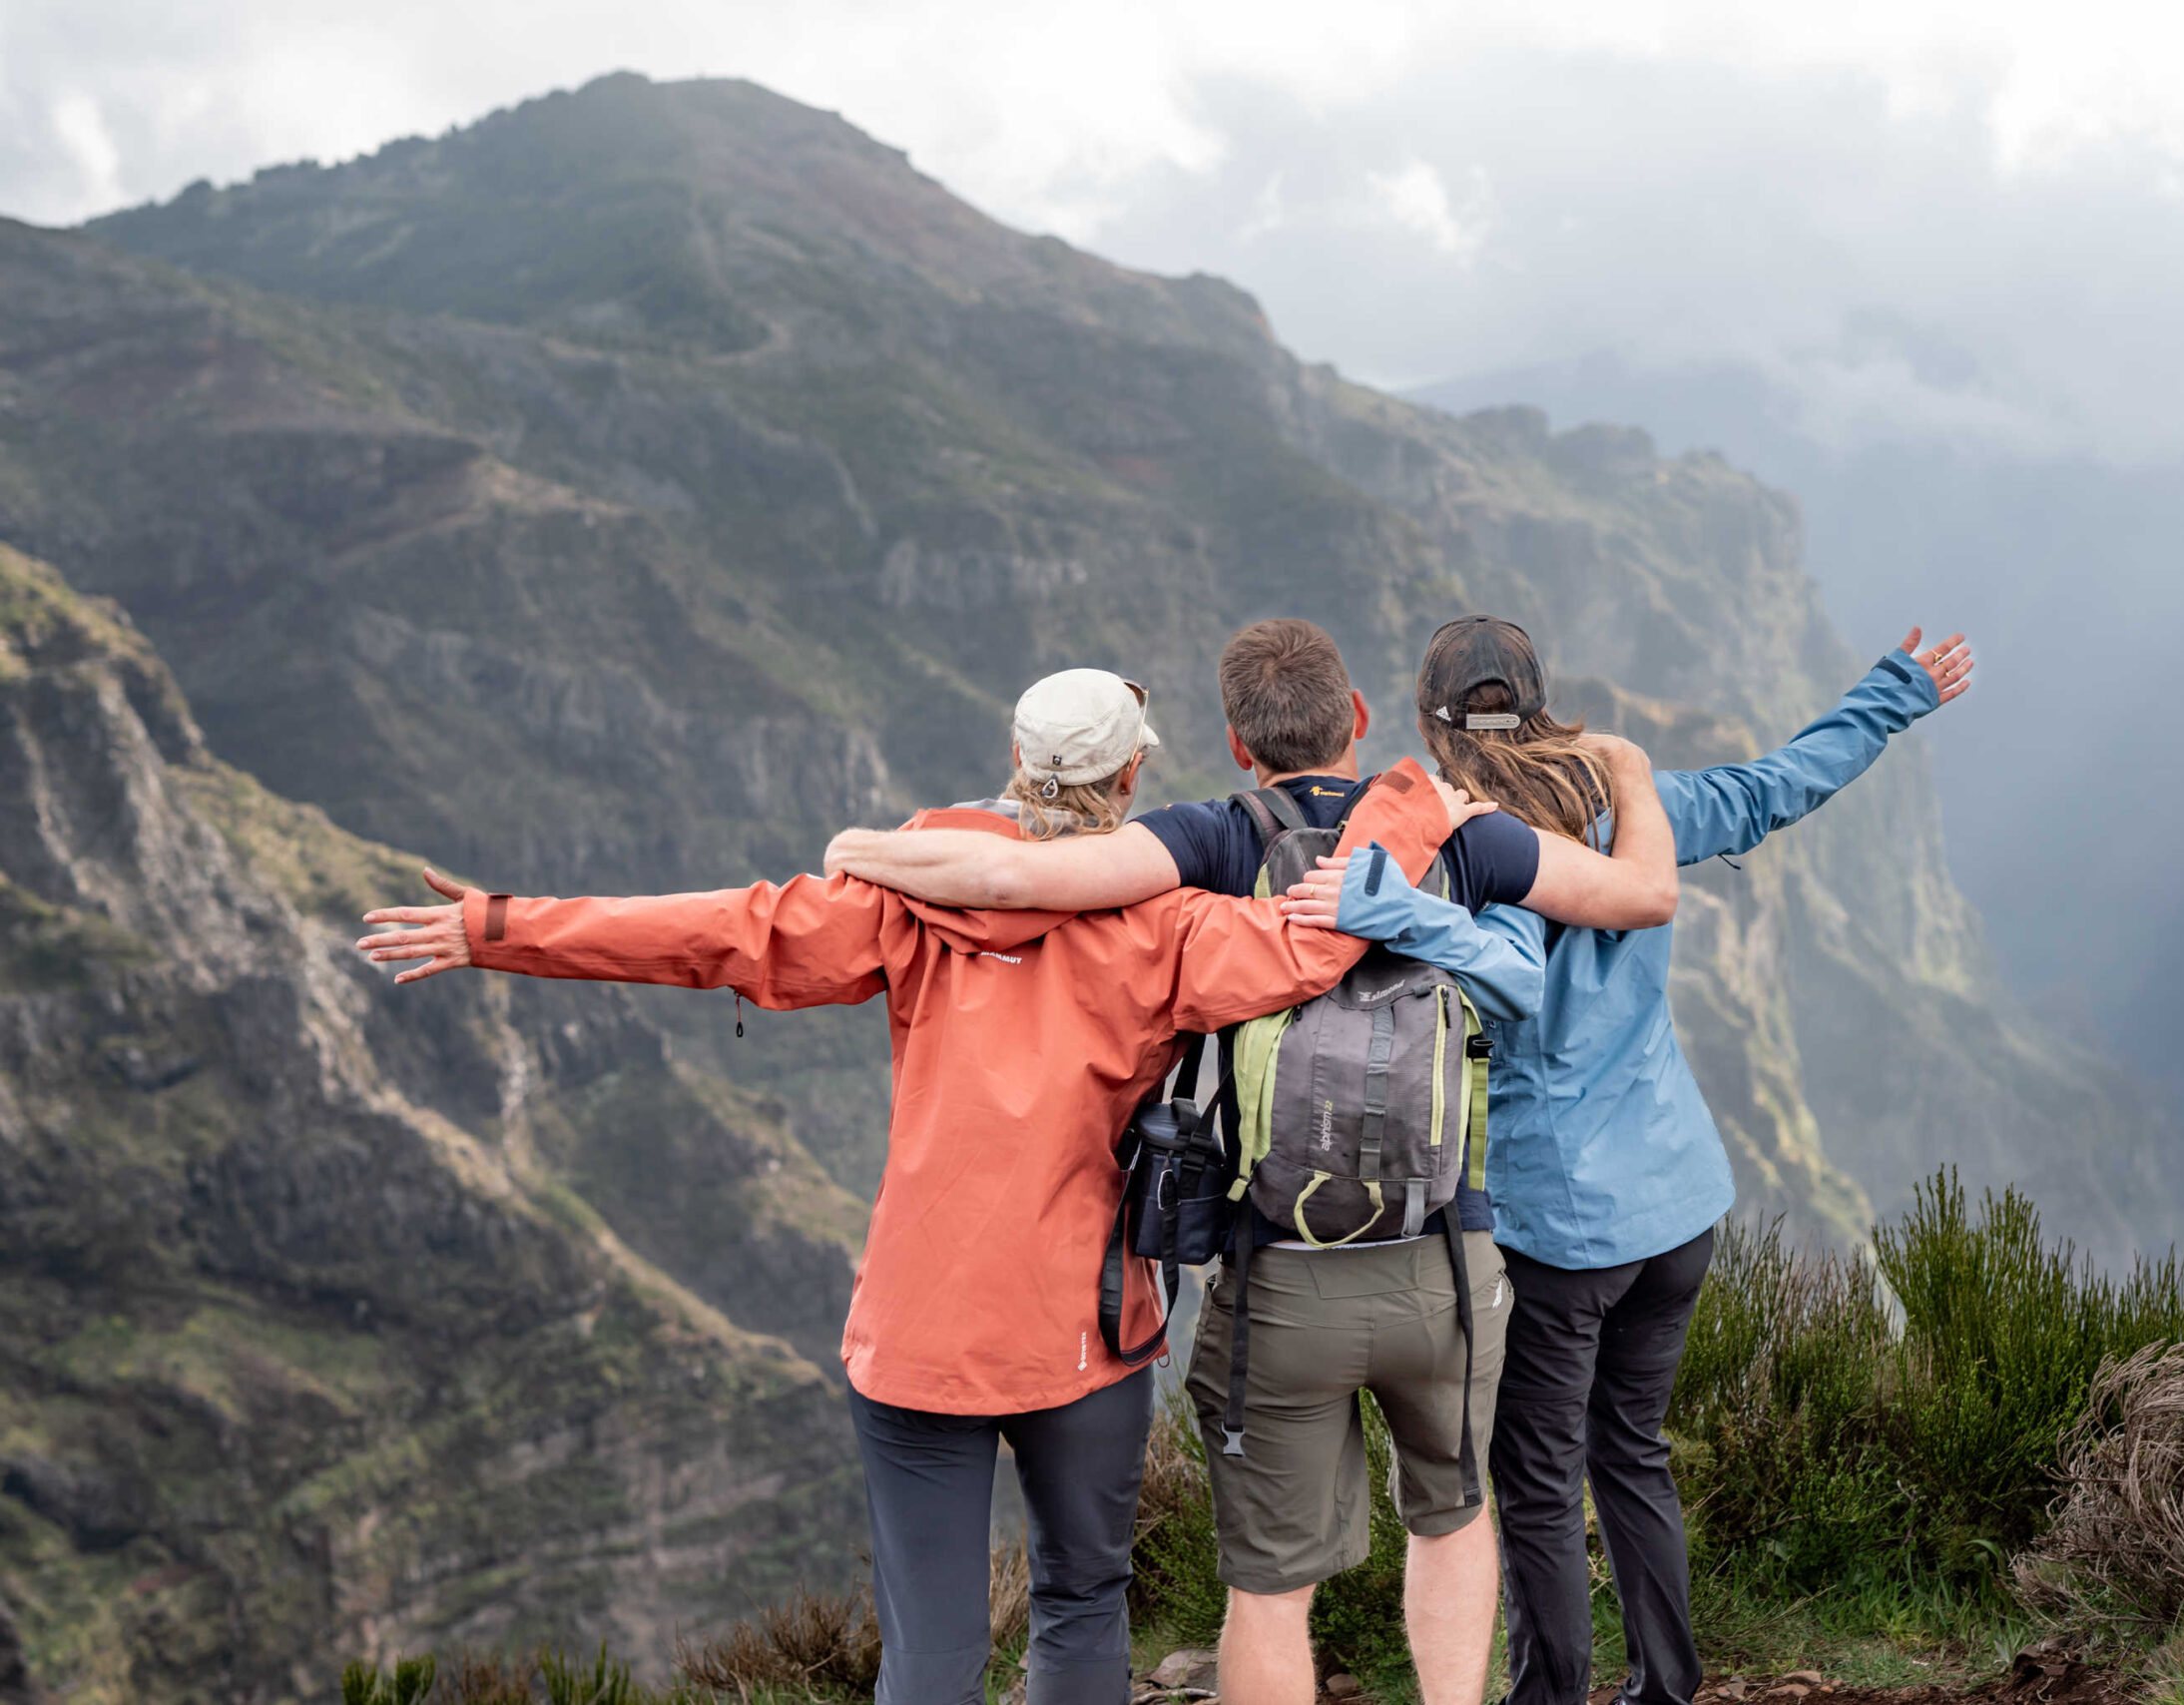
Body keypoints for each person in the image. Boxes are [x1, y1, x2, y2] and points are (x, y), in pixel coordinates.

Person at [351, 667, 1510, 1705]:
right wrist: (1410, 803)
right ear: (1132, 775)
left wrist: (497, 925)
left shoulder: (900, 902)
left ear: (1017, 762)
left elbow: (708, 931)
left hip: (918, 1335)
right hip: (1082, 1335)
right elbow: (1316, 940)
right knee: (1079, 1601)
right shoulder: (1167, 929)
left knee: (934, 1649)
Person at [821, 620, 1681, 1705]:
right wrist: (1636, 779)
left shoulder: (1209, 840)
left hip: (1280, 1276)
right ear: (1358, 718)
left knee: (1271, 1588)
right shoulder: (1458, 838)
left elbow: (1016, 878)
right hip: (1446, 1271)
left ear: (1238, 743)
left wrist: (867, 850)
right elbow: (1644, 894)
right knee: (1454, 1522)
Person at [1289, 615, 1972, 1705]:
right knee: (1633, 1452)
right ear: (1540, 693)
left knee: (1541, 1479)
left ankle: (1549, 1694)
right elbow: (1774, 786)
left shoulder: (1470, 845)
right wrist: (1895, 692)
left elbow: (1479, 966)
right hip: (1678, 1204)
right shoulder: (1624, 802)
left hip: (1562, 1226)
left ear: (1428, 719)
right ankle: (1663, 1686)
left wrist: (1385, 906)